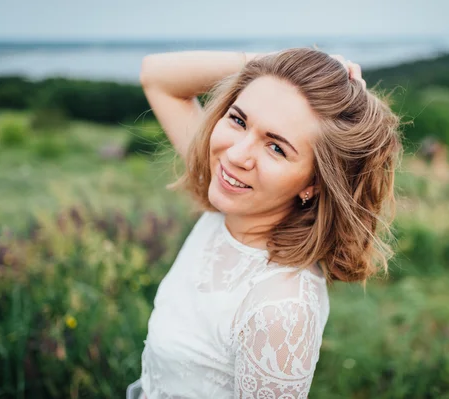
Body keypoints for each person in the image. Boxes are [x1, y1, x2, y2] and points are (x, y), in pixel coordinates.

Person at [130, 48, 403, 399]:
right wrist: (271, 62)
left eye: (276, 148)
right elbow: (156, 76)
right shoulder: (234, 199)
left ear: (315, 182)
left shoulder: (280, 312)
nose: (236, 155)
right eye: (239, 120)